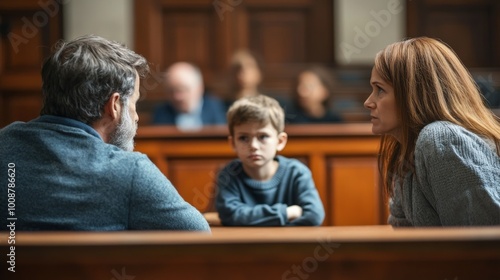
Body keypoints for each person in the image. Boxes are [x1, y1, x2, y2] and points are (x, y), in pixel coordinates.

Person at [0, 35, 210, 231]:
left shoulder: (4, 144)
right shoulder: (131, 172)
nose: (136, 117)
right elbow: (198, 235)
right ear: (115, 105)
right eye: (134, 103)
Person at [364, 37, 500, 227]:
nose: (368, 102)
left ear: (414, 93)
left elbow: (482, 244)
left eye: (380, 90)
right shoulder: (406, 149)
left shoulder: (441, 139)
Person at [215, 95, 325, 226]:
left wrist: (256, 223)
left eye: (263, 136)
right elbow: (231, 216)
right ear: (233, 143)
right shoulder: (228, 174)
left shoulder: (297, 172)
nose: (254, 146)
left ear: (280, 141)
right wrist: (287, 213)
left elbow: (314, 216)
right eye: (244, 138)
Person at [151, 62, 226, 130]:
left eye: (182, 90)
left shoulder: (215, 109)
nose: (177, 97)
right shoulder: (161, 113)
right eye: (171, 91)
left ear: (199, 88)